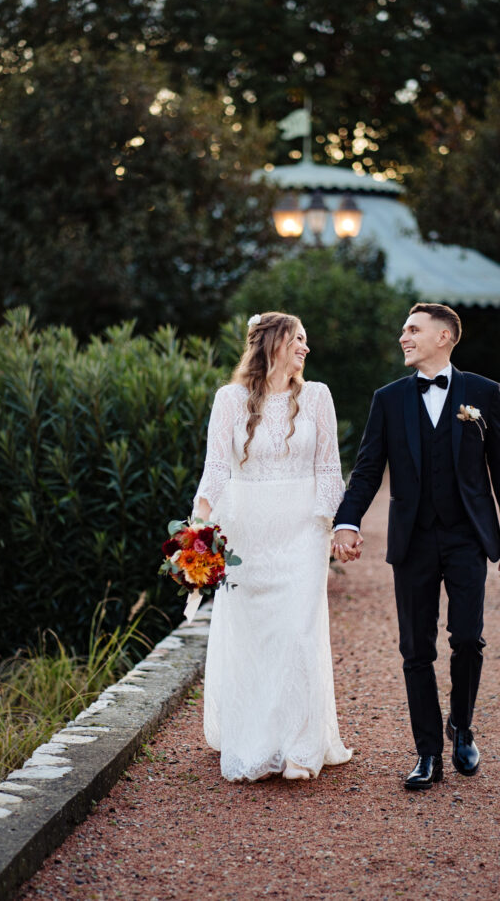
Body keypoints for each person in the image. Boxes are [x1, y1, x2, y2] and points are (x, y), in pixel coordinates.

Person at [332, 303, 500, 789]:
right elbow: (369, 468)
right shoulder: (389, 399)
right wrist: (347, 522)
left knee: (467, 639)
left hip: (466, 536)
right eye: (403, 330)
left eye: (413, 329)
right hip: (412, 540)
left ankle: (461, 727)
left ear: (444, 337)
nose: (404, 337)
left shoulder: (483, 393)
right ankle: (427, 753)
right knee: (416, 649)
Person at [193, 311, 352, 782]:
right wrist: (199, 528)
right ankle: (255, 743)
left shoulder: (318, 396)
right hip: (246, 534)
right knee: (253, 635)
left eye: (306, 338)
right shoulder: (229, 399)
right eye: (297, 338)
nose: (306, 346)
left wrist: (331, 525)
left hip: (303, 531)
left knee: (298, 632)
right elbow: (216, 468)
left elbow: (329, 467)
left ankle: (302, 747)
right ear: (272, 342)